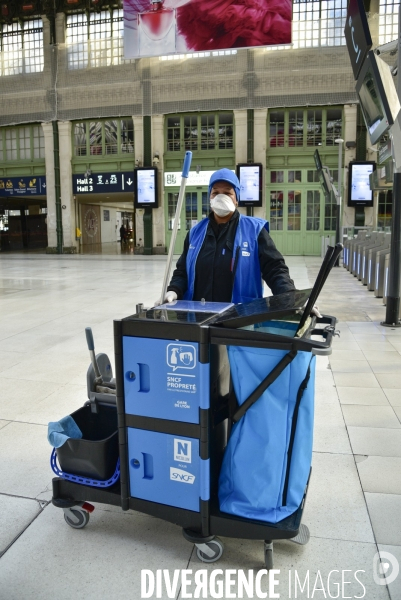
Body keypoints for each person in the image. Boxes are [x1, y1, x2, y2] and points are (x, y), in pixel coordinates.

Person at [163, 168, 297, 305]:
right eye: (215, 192)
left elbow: (274, 269)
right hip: (198, 316)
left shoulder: (255, 231)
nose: (220, 197)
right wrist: (174, 290)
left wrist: (291, 297)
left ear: (236, 199)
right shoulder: (195, 233)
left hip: (239, 317)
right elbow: (183, 271)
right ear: (210, 197)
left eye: (227, 193)